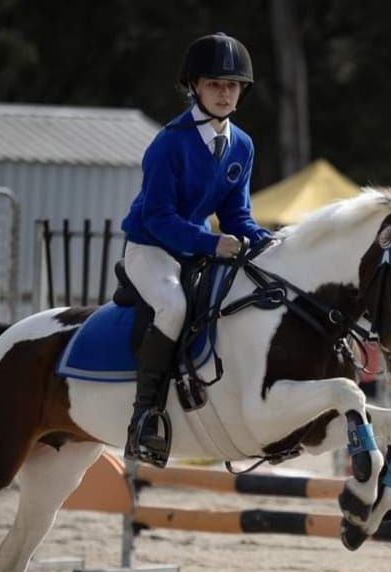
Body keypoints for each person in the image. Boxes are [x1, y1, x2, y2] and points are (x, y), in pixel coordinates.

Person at [121, 32, 271, 463]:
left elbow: (237, 214)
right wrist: (211, 242)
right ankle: (145, 415)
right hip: (151, 247)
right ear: (195, 87)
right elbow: (158, 218)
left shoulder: (242, 144)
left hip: (197, 248)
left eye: (232, 86)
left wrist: (264, 241)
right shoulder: (169, 142)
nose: (224, 93)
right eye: (214, 84)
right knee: (173, 306)